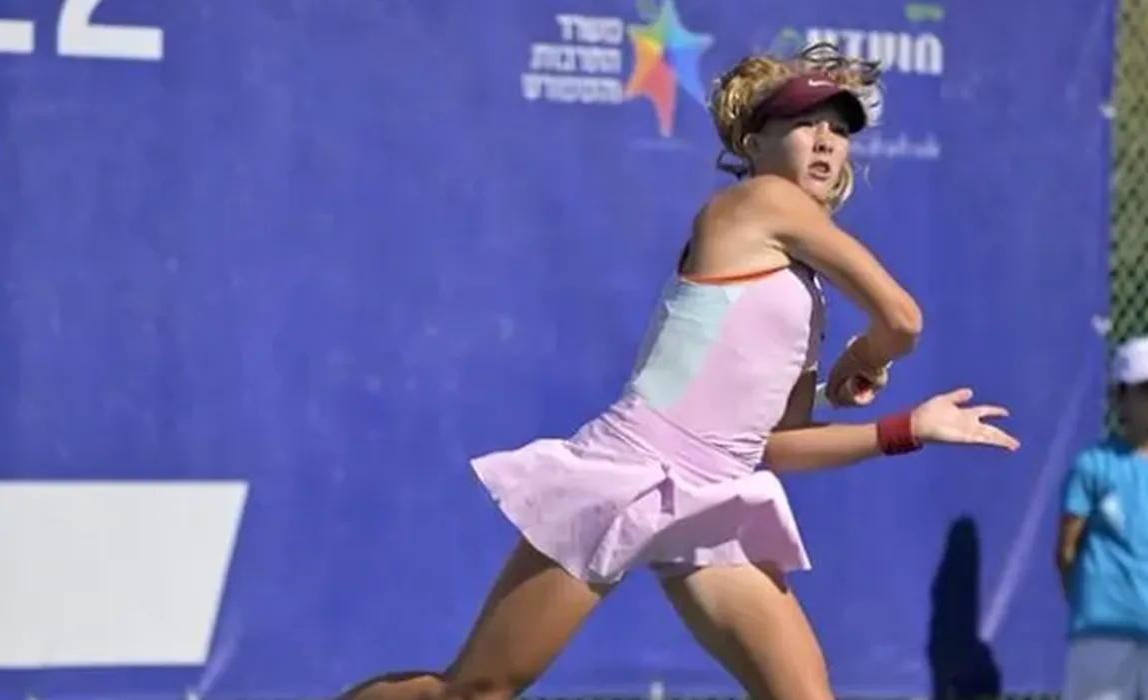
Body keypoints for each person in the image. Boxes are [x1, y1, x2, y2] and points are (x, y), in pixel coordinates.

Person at [344, 43, 1020, 700]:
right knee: (476, 690)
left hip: (715, 496)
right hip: (630, 467)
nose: (824, 141)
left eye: (838, 130)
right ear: (753, 142)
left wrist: (907, 428)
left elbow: (775, 446)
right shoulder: (761, 200)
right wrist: (865, 357)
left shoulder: (804, 291)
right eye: (802, 124)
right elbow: (902, 319)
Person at [1058, 335, 1148, 700]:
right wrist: (1094, 605)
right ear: (1120, 396)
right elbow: (1066, 552)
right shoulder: (1092, 465)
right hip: (1102, 637)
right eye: (1146, 390)